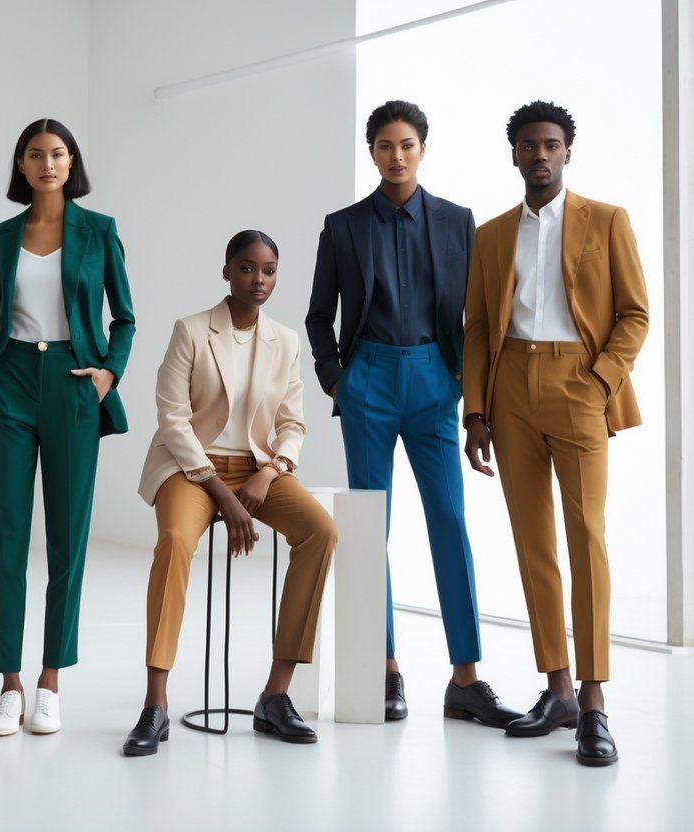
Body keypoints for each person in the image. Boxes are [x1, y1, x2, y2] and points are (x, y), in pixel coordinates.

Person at [305, 100, 520, 727]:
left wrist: (465, 388)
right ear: (370, 151)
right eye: (383, 146)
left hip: (435, 381)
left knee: (449, 520)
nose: (395, 156)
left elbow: (474, 316)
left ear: (423, 148)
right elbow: (320, 315)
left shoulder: (458, 222)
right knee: (372, 527)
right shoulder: (342, 227)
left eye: (406, 145)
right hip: (367, 378)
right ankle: (386, 669)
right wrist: (338, 383)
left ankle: (465, 678)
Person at [463, 101, 648, 766]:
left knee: (585, 536)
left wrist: (598, 382)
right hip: (509, 384)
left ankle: (594, 702)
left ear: (566, 152)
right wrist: (474, 410)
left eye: (549, 144)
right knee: (532, 541)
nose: (538, 155)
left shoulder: (606, 220)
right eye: (527, 145)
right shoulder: (488, 235)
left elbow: (633, 312)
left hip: (578, 383)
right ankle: (557, 688)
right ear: (512, 154)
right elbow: (478, 326)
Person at [123, 231, 337, 756]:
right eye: (246, 268)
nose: (258, 280)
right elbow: (173, 419)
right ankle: (155, 704)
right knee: (174, 540)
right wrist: (222, 493)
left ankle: (276, 695)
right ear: (227, 271)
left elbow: (292, 422)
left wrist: (270, 473)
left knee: (321, 531)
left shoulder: (285, 341)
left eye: (268, 271)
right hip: (191, 467)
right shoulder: (192, 331)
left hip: (258, 469)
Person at [0, 118, 135, 736]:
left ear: (72, 163)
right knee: (7, 536)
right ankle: (9, 682)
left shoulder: (99, 232)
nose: (47, 163)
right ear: (20, 164)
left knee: (68, 537)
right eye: (35, 154)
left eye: (58, 154)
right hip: (10, 380)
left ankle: (50, 679)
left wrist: (106, 378)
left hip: (72, 382)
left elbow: (125, 318)